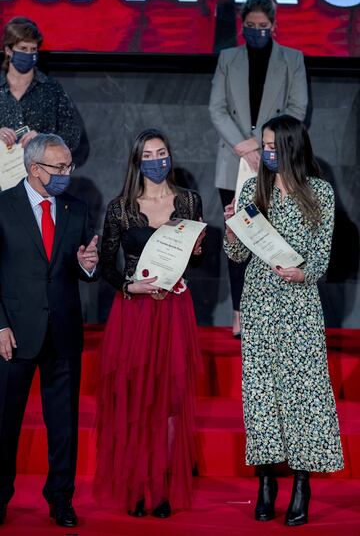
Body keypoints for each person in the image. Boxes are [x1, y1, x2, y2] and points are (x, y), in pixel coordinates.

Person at [223, 115, 344, 526]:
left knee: (303, 396)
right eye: (265, 145)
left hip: (299, 304)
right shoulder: (250, 189)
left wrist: (303, 272)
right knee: (261, 395)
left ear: (293, 146)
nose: (267, 152)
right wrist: (232, 232)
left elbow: (323, 257)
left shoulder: (320, 192)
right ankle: (265, 481)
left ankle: (301, 482)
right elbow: (237, 257)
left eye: (274, 146)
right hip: (259, 302)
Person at [94, 128, 204, 518]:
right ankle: (137, 483)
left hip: (174, 311)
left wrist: (197, 252)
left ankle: (162, 485)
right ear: (137, 162)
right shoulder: (120, 207)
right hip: (135, 312)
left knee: (171, 402)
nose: (158, 160)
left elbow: (196, 261)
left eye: (163, 152)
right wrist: (129, 286)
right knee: (136, 398)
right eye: (149, 154)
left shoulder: (189, 201)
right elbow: (107, 266)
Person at [0, 134, 99, 527]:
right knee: (5, 424)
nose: (67, 174)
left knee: (64, 425)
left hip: (63, 333)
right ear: (34, 168)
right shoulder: (3, 206)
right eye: (59, 168)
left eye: (70, 166)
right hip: (14, 334)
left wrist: (87, 264)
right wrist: (0, 325)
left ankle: (61, 498)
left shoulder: (76, 207)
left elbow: (79, 268)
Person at [209, 0, 308, 338]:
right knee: (237, 234)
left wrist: (265, 143)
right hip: (234, 159)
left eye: (262, 27)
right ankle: (238, 313)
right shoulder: (228, 58)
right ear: (242, 25)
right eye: (250, 26)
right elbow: (217, 108)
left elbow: (297, 108)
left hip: (274, 158)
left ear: (274, 26)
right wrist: (243, 145)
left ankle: (271, 312)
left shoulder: (292, 59)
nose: (255, 32)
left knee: (273, 235)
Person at [0, 16, 80, 151]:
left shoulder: (51, 89)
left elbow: (72, 136)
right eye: (23, 48)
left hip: (40, 169)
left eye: (33, 49)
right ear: (8, 50)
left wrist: (44, 139)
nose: (29, 54)